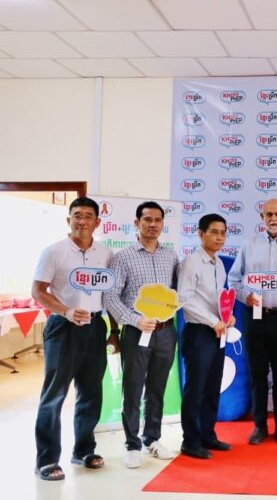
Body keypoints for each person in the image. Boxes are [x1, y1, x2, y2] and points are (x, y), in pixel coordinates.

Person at [31, 197, 113, 480]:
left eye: (88, 216)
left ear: (97, 222)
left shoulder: (106, 254)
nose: (82, 220)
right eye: (77, 215)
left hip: (95, 327)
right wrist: (66, 311)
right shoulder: (53, 251)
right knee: (54, 394)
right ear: (69, 220)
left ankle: (84, 450)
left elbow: (109, 296)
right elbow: (38, 291)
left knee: (91, 392)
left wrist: (114, 331)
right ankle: (46, 460)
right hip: (62, 327)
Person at [104, 201, 179, 469]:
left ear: (162, 224)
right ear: (137, 223)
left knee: (157, 389)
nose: (153, 225)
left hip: (165, 333)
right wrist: (136, 320)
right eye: (147, 219)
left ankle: (152, 439)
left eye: (157, 220)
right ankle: (132, 444)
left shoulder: (171, 257)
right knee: (133, 389)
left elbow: (176, 294)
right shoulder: (123, 257)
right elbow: (110, 297)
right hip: (136, 333)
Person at [228, 198, 277, 445]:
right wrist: (245, 296)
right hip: (254, 316)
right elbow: (234, 280)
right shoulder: (248, 245)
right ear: (262, 217)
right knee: (258, 373)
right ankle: (260, 425)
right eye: (268, 214)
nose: (273, 219)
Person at [177, 214, 236, 459]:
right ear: (201, 234)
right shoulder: (192, 262)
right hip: (199, 332)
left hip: (217, 332)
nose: (219, 237)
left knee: (212, 386)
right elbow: (184, 298)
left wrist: (228, 316)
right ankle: (190, 441)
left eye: (223, 233)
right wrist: (214, 321)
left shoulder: (219, 263)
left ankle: (208, 435)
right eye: (214, 232)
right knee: (196, 388)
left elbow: (220, 299)